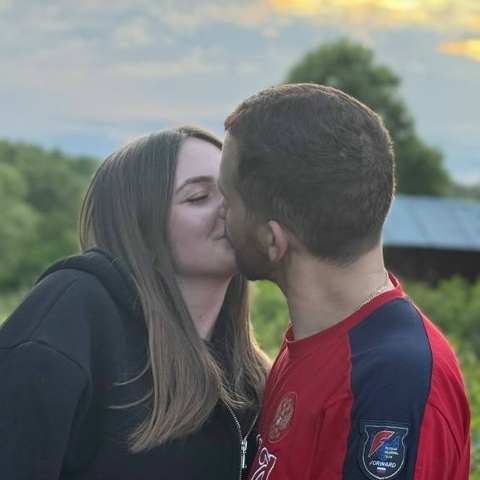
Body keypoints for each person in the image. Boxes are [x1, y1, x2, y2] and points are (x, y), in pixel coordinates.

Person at [218, 84, 470, 480]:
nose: (220, 214)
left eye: (228, 199)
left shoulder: (392, 381)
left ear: (272, 240)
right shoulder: (319, 341)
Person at [0, 125, 270, 480]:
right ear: (140, 229)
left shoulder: (254, 376)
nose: (230, 209)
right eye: (198, 197)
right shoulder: (73, 314)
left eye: (233, 191)